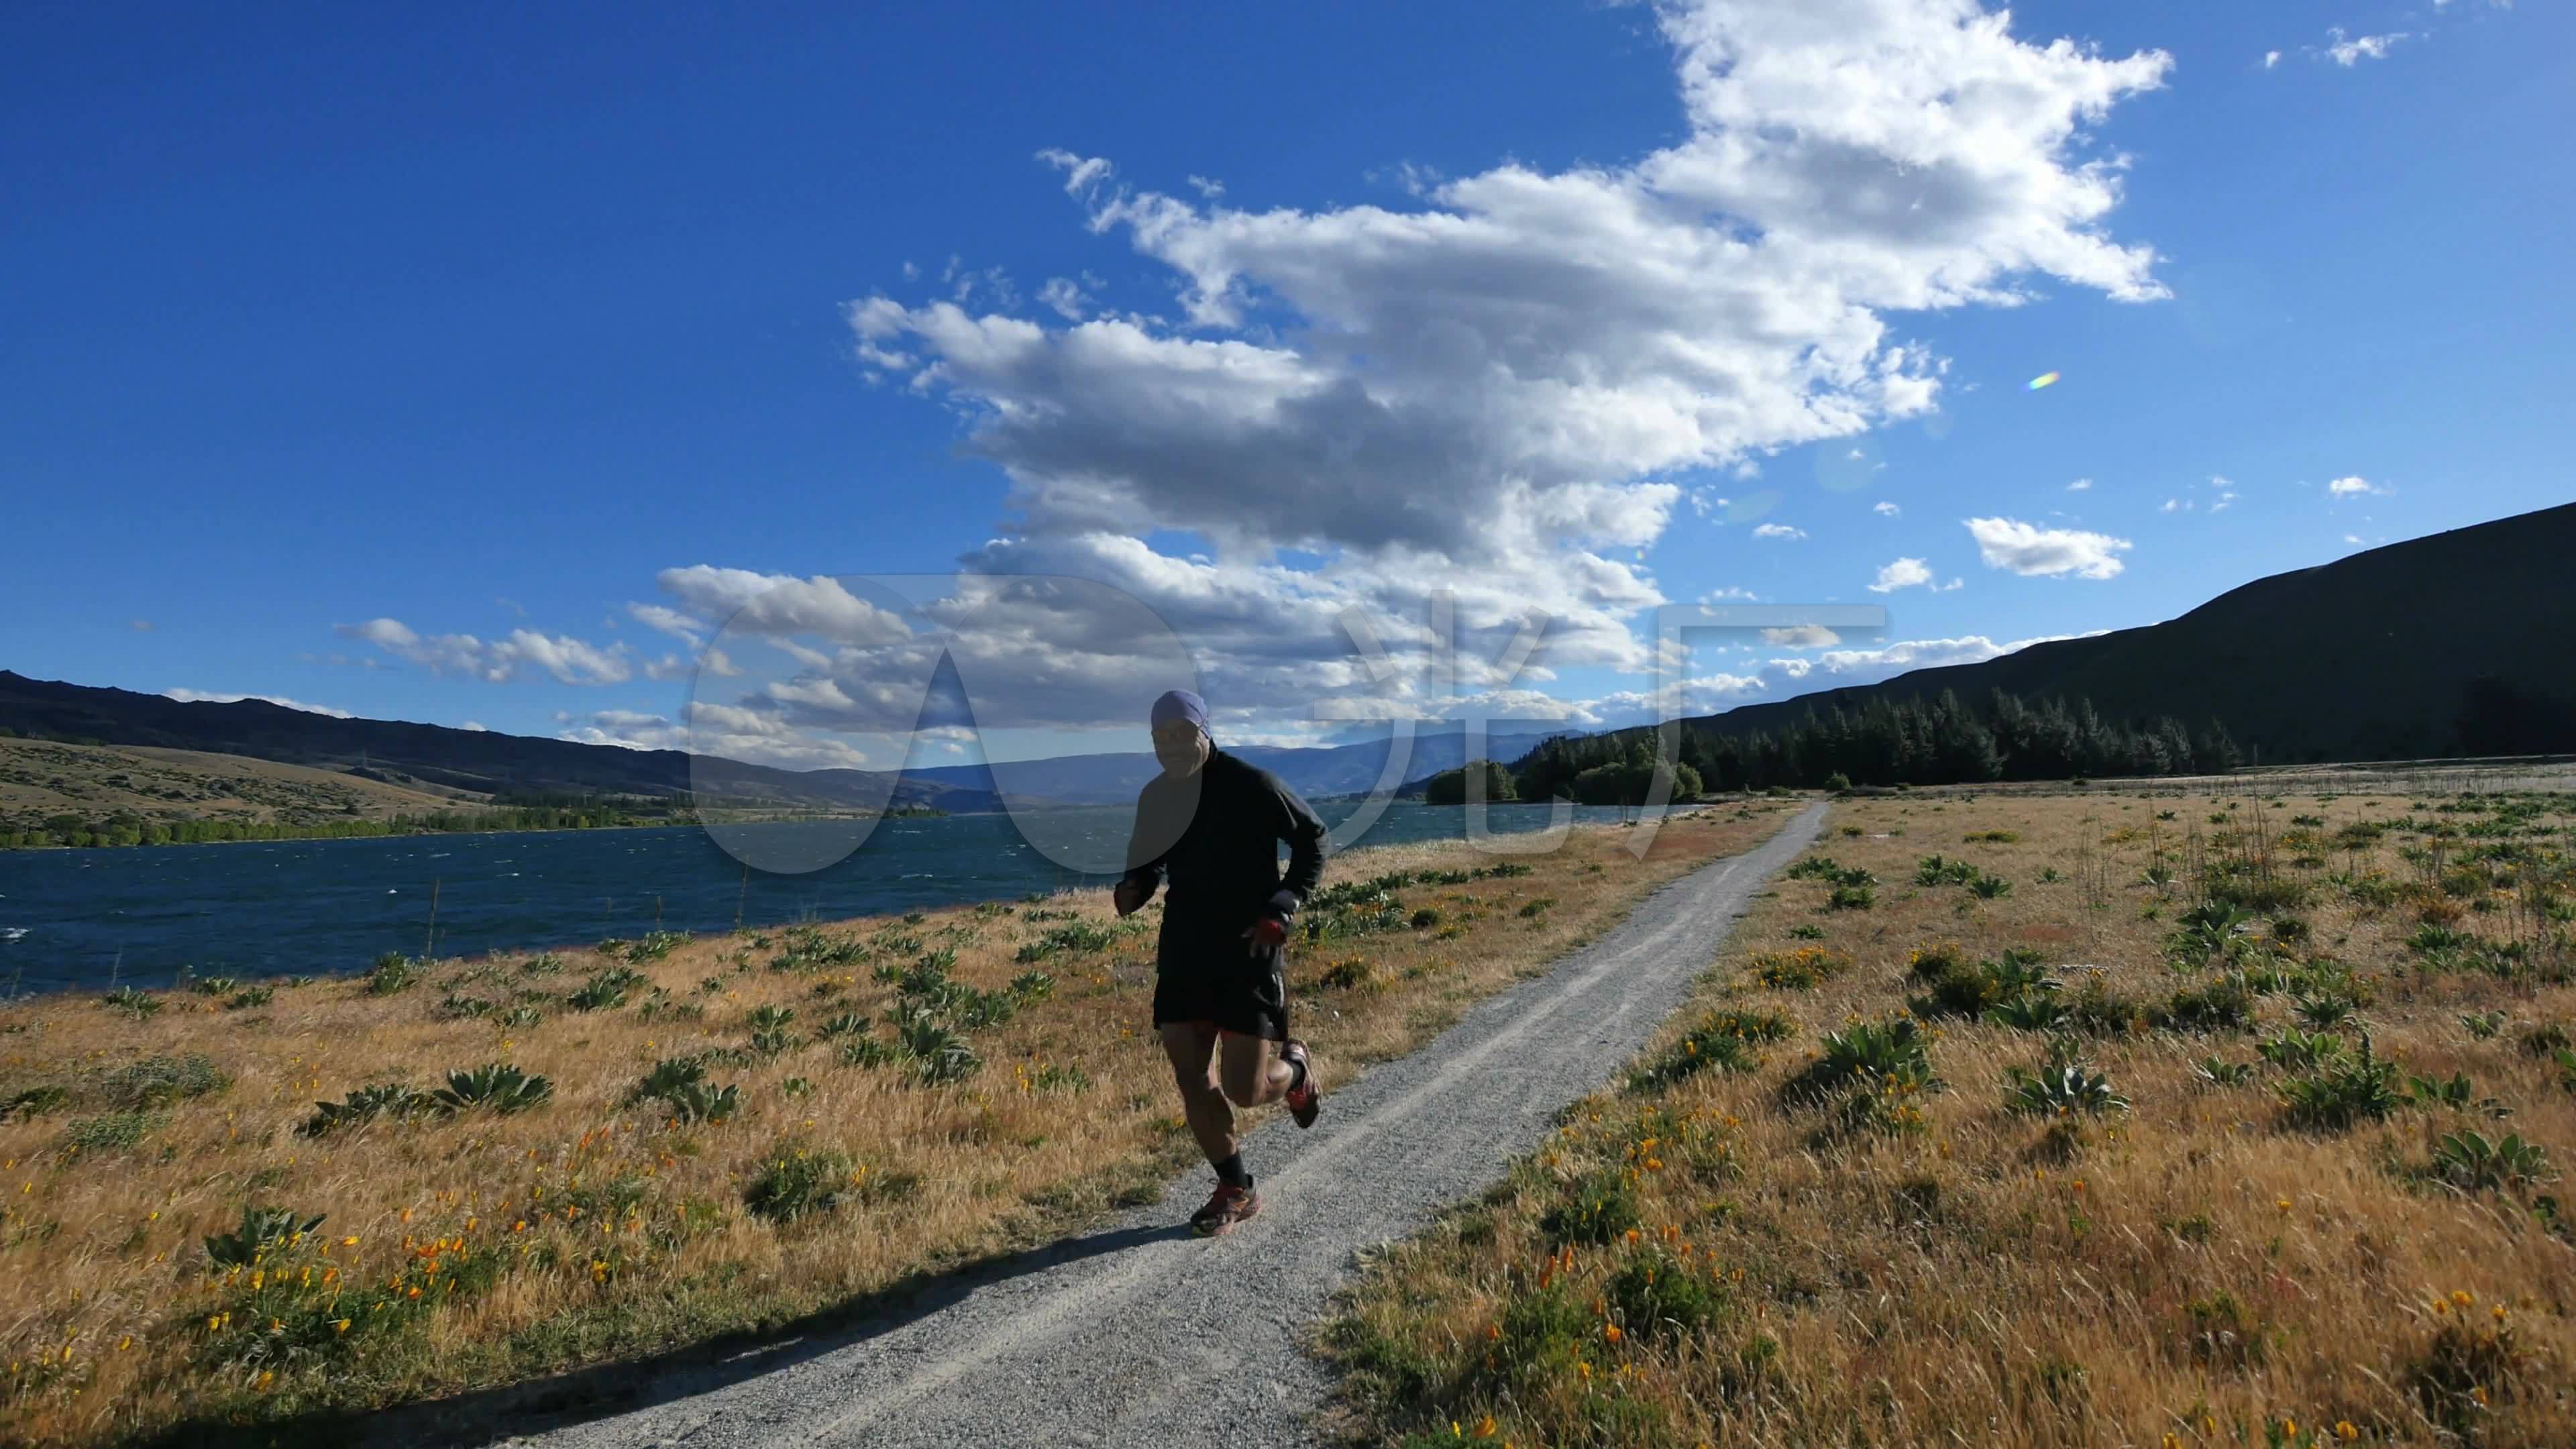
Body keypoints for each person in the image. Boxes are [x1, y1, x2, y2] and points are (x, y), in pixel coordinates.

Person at [1114, 688, 1328, 1236]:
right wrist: (1134, 887)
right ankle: (1236, 1186)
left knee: (1245, 1089)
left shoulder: (1252, 786)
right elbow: (1147, 863)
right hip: (1185, 949)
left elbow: (1313, 839)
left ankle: (1297, 1070)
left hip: (1247, 950)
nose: (1172, 748)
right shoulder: (1156, 798)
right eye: (1160, 739)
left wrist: (1284, 904)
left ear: (1204, 732)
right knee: (1192, 1079)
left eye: (1182, 735)